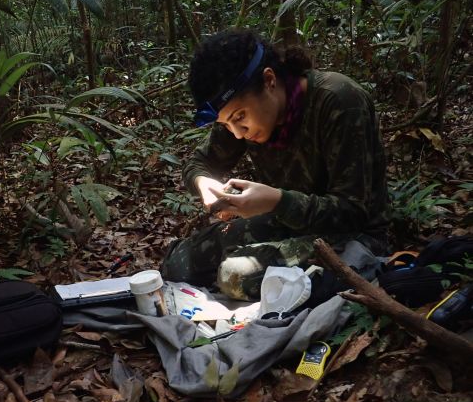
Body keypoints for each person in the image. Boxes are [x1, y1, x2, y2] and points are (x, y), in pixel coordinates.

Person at [161, 30, 390, 301]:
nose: (237, 132)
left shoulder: (338, 100)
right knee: (177, 264)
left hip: (352, 236)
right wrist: (204, 183)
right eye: (226, 124)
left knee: (235, 275)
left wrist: (277, 202)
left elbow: (353, 212)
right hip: (288, 221)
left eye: (240, 117)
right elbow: (199, 163)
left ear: (269, 80)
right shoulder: (241, 111)